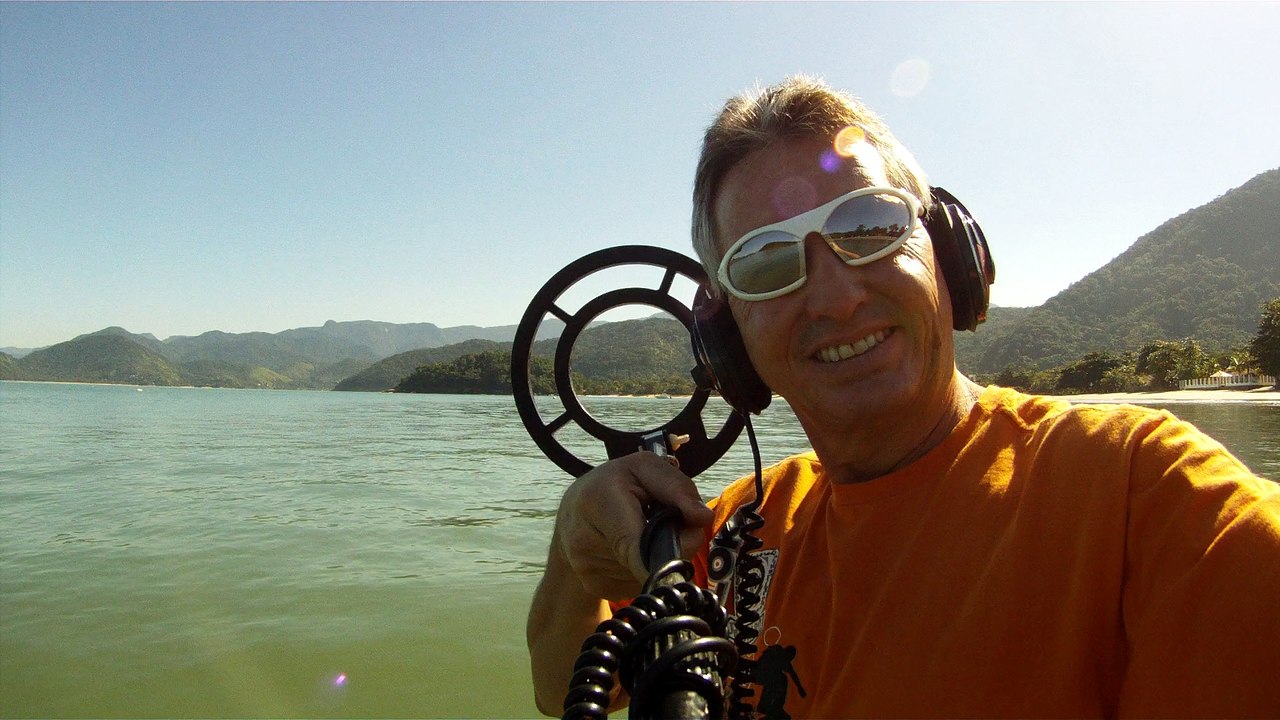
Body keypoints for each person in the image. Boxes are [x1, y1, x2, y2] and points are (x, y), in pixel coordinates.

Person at [526, 75, 1280, 718]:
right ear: (727, 341)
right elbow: (559, 681)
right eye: (765, 262)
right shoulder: (730, 530)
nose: (836, 295)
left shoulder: (1145, 494)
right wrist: (575, 542)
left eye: (870, 225)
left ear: (949, 252)